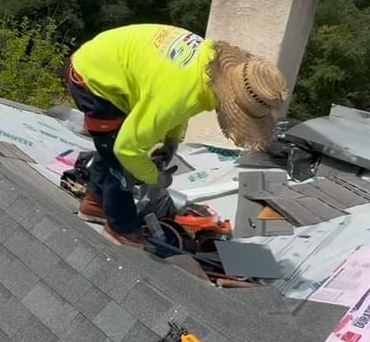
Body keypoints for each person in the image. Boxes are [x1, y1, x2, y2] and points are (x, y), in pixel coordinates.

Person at [66, 24, 288, 249]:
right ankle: (120, 228)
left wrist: (171, 142)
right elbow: (126, 149)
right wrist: (154, 178)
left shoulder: (209, 66)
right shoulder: (178, 97)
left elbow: (180, 105)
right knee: (119, 158)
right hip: (91, 78)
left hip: (110, 61)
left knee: (111, 145)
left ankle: (95, 204)